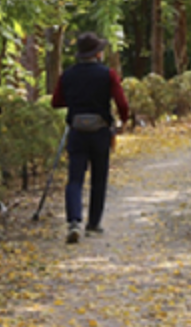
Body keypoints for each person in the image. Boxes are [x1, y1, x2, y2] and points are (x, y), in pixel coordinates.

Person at [50, 31, 132, 244]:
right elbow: (121, 102)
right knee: (99, 177)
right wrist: (124, 120)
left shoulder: (68, 75)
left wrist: (77, 99)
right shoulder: (108, 74)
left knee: (75, 179)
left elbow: (56, 102)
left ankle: (74, 221)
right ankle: (94, 223)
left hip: (77, 131)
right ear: (97, 54)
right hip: (100, 131)